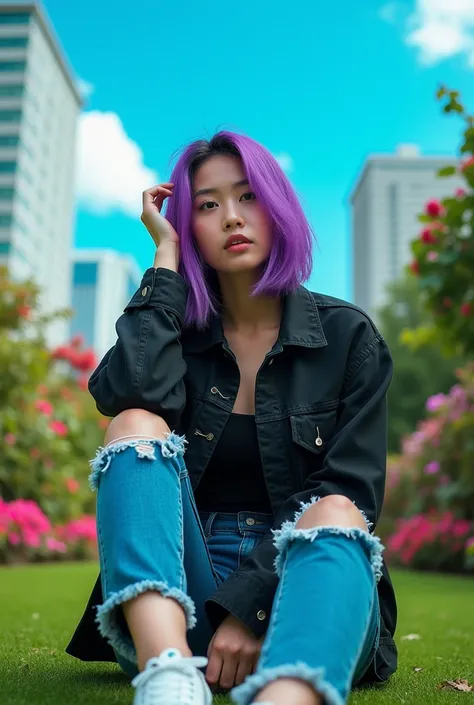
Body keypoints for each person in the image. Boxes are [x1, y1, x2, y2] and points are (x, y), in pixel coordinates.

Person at [66, 131, 398, 705]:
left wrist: (249, 610)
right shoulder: (174, 332)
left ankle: (288, 695)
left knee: (337, 506)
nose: (231, 219)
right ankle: (167, 679)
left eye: (248, 197)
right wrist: (165, 261)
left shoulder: (349, 337)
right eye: (208, 205)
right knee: (134, 424)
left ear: (278, 209)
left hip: (306, 595)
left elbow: (354, 487)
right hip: (177, 609)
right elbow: (126, 392)